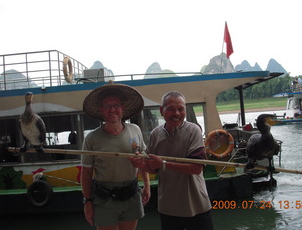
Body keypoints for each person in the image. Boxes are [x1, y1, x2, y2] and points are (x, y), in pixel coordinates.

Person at [131, 91, 213, 230]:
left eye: (181, 109)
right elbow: (154, 169)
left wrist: (163, 164)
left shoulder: (194, 130)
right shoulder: (155, 134)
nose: (176, 114)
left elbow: (196, 168)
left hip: (197, 204)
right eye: (171, 109)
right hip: (168, 207)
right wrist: (142, 165)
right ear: (162, 111)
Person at [81, 82, 150, 230]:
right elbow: (86, 173)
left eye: (116, 105)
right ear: (101, 110)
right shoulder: (92, 138)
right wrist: (87, 202)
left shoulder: (135, 130)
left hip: (131, 194)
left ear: (122, 108)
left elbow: (143, 160)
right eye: (107, 106)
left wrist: (147, 186)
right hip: (104, 197)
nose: (112, 109)